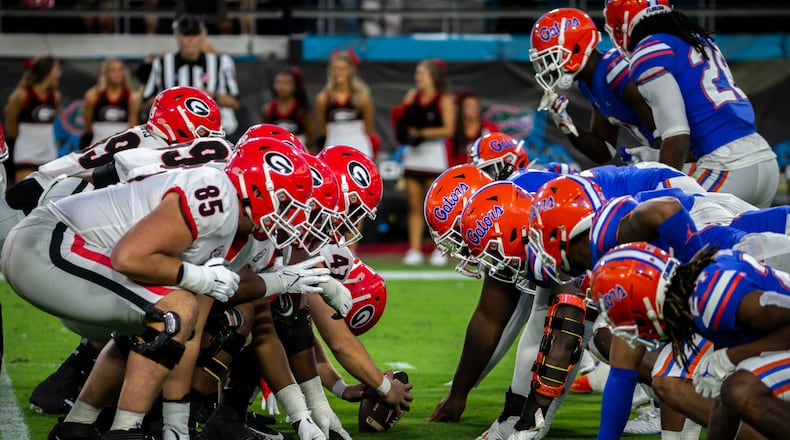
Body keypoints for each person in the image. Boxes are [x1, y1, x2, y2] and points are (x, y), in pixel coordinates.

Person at [589, 242, 790, 439]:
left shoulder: (713, 295)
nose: (641, 332)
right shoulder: (697, 297)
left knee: (741, 389)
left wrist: (731, 356)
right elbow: (724, 407)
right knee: (727, 392)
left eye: (637, 321)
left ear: (648, 302)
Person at [604, 0, 779, 207]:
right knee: (749, 239)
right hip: (764, 160)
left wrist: (658, 198)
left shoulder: (649, 51)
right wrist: (655, 156)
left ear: (621, 25)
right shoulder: (695, 38)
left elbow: (677, 137)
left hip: (727, 166)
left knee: (664, 224)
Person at [529, 8, 656, 165]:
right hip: (677, 154)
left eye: (551, 58)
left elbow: (669, 132)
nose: (549, 68)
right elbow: (604, 151)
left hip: (688, 155)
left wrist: (658, 159)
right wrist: (566, 124)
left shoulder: (617, 71)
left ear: (576, 48)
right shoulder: (590, 81)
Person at [395, 59, 455, 266]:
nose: (417, 77)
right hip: (413, 155)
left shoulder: (443, 100)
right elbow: (401, 120)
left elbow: (448, 129)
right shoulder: (412, 96)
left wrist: (422, 132)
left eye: (421, 73)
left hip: (433, 156)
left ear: (432, 76)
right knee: (414, 206)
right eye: (417, 73)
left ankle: (440, 249)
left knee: (435, 208)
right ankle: (414, 249)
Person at [141, 14, 240, 135]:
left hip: (213, 133)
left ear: (202, 36)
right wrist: (169, 100)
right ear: (178, 36)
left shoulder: (221, 62)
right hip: (172, 133)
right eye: (186, 35)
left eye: (195, 34)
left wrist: (212, 97)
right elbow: (145, 103)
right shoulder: (161, 63)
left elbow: (235, 101)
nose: (190, 40)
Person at [4, 55, 61, 183]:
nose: (59, 74)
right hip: (26, 153)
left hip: (48, 152)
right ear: (47, 72)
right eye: (56, 70)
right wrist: (25, 140)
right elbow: (11, 125)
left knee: (47, 197)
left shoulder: (55, 96)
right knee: (24, 197)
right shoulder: (21, 95)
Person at [314, 49, 377, 157]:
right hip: (333, 148)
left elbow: (369, 127)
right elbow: (323, 129)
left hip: (360, 148)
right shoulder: (323, 98)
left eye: (343, 68)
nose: (338, 72)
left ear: (350, 70)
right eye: (335, 68)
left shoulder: (362, 97)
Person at [81, 58, 140, 148]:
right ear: (105, 73)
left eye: (120, 69)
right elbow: (87, 123)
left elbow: (133, 125)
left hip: (121, 147)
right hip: (98, 146)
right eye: (113, 70)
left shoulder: (131, 96)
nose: (117, 74)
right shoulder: (93, 95)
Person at [262, 66, 315, 151]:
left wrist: (301, 148)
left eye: (287, 83)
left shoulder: (301, 110)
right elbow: (265, 134)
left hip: (299, 150)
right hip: (276, 150)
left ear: (295, 86)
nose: (281, 87)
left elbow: (311, 135)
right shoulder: (268, 109)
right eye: (278, 82)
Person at [447, 91, 498, 167]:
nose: (473, 108)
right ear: (460, 109)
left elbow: (498, 153)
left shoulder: (489, 127)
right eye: (468, 106)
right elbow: (450, 159)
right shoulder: (453, 131)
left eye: (476, 105)